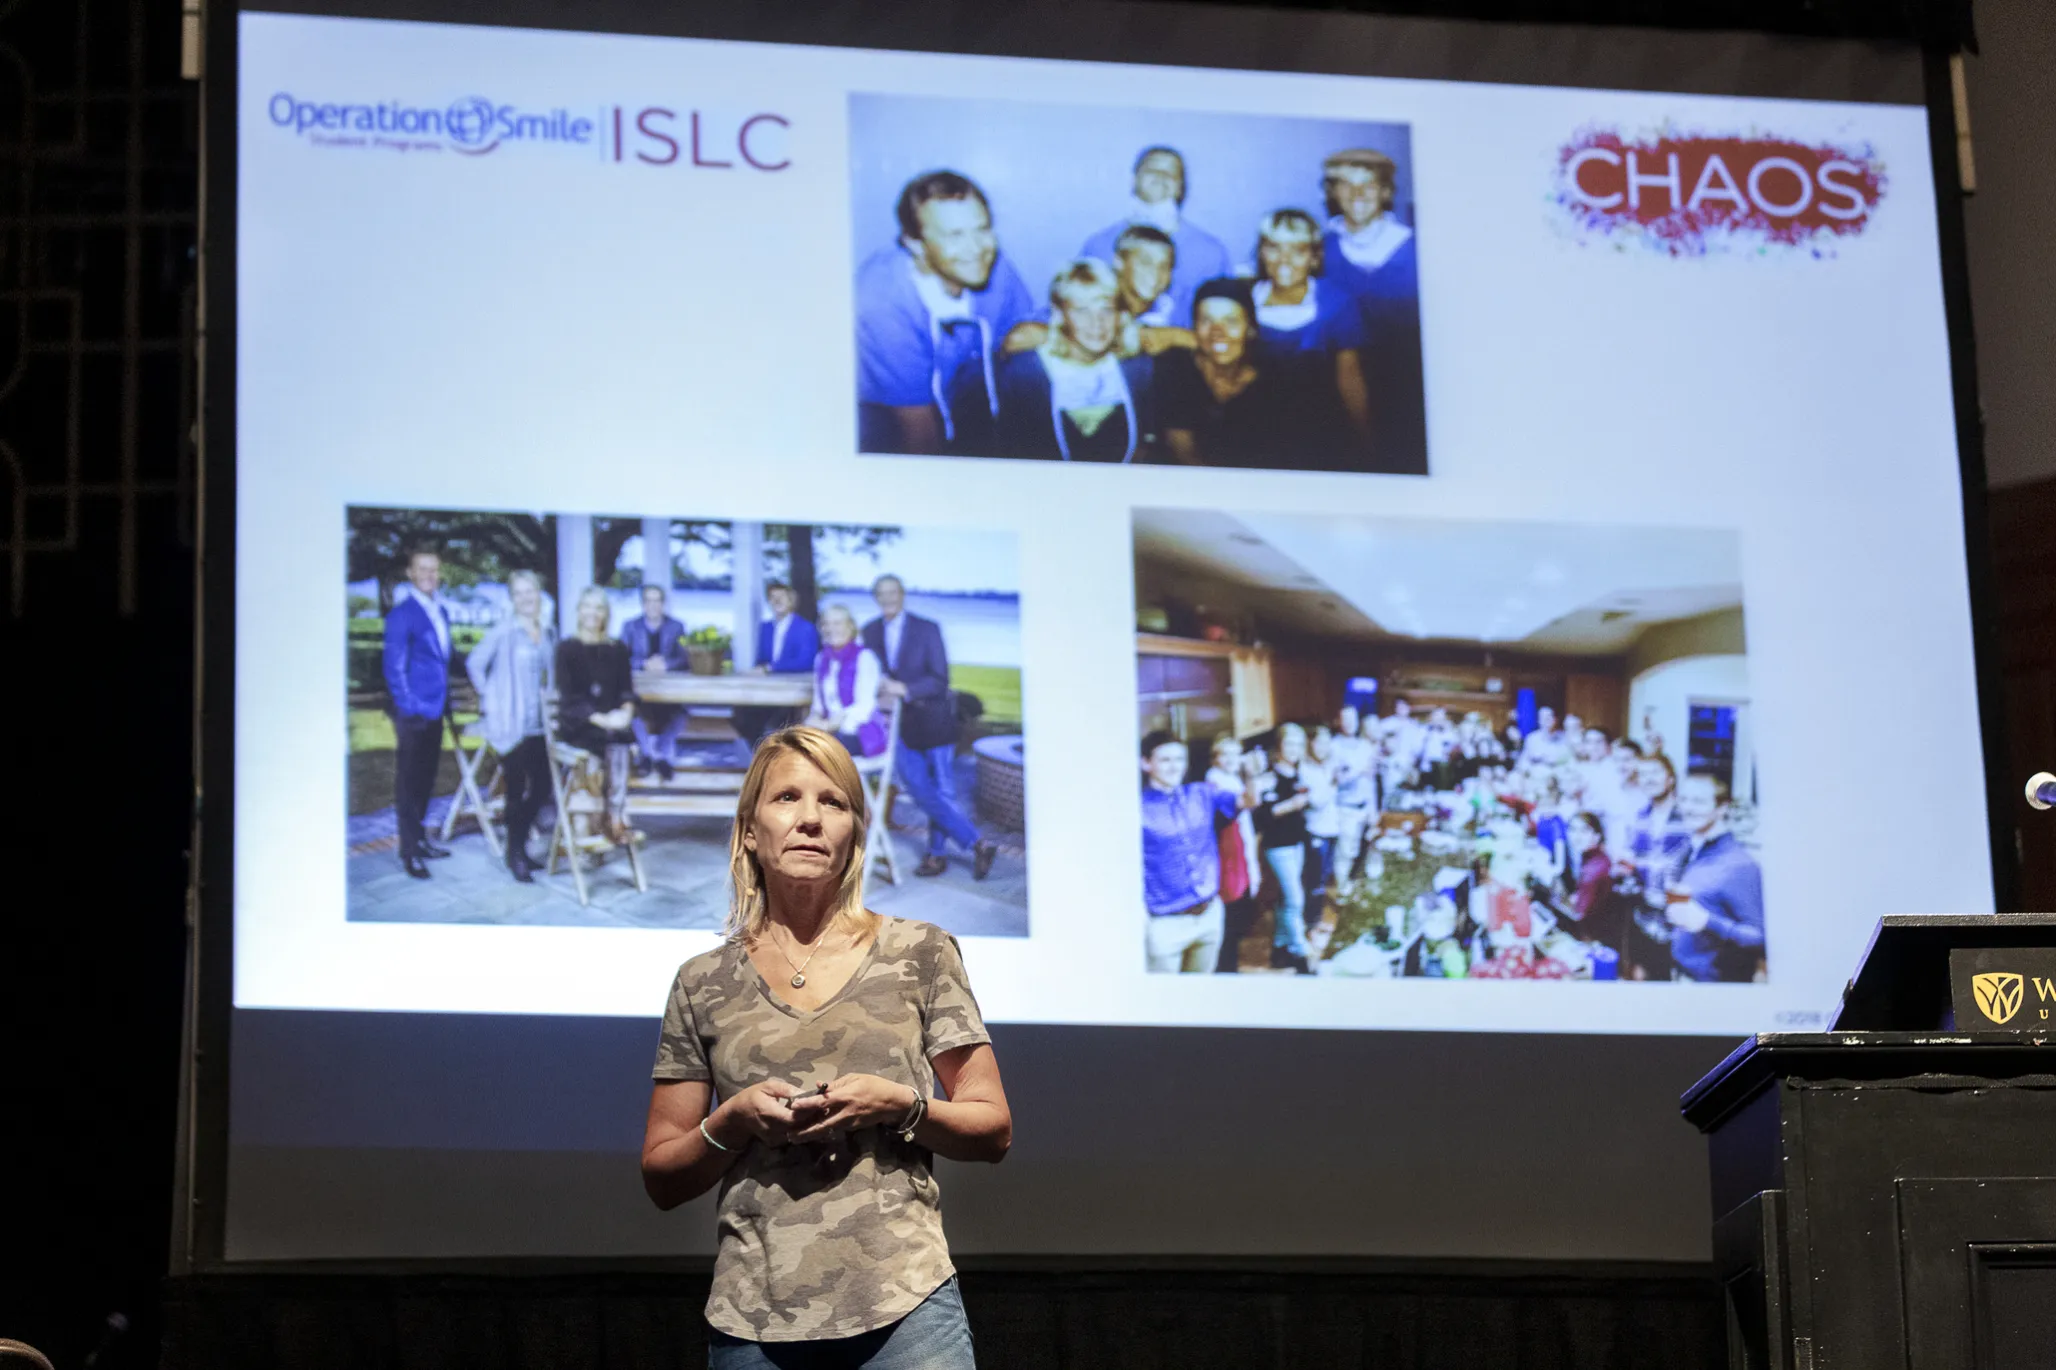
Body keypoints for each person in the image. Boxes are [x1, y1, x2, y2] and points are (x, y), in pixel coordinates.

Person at [642, 727, 1011, 1367]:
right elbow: (662, 1175)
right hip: (754, 1318)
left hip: (907, 1310)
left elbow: (992, 1127)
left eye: (834, 802)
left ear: (854, 833)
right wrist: (734, 1120)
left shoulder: (920, 952)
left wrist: (903, 1106)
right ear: (751, 830)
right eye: (787, 797)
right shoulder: (703, 980)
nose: (810, 818)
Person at [856, 171, 1036, 456]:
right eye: (955, 235)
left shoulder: (993, 268)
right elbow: (918, 431)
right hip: (890, 414)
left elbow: (1023, 334)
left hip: (961, 396)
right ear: (915, 244)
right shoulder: (882, 301)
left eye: (982, 229)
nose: (977, 248)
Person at [863, 575, 997, 880]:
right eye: (881, 594)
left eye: (892, 592)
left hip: (934, 721)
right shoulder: (869, 631)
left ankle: (936, 855)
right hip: (897, 726)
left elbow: (940, 680)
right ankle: (978, 843)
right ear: (875, 597)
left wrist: (903, 688)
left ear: (902, 594)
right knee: (918, 788)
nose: (888, 599)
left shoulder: (927, 629)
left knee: (942, 791)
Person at [1318, 147, 1427, 470]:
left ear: (1386, 192)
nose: (1358, 194)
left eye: (1368, 184)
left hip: (1411, 392)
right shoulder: (1319, 251)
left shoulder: (1416, 246)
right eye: (1347, 184)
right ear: (1334, 193)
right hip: (1340, 393)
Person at [990, 258, 1155, 464]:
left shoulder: (1138, 370)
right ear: (1060, 315)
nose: (1096, 323)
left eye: (1106, 310)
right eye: (1081, 310)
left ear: (1120, 315)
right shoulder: (1026, 373)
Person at [1249, 209, 1371, 452]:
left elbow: (1350, 378)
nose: (1284, 260)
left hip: (1319, 432)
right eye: (1274, 247)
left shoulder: (1337, 303)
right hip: (1256, 428)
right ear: (1262, 254)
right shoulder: (1245, 301)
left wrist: (1367, 440)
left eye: (1298, 250)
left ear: (1314, 258)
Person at [464, 570, 555, 884]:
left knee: (543, 787)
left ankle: (518, 847)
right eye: (519, 593)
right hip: (511, 724)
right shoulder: (504, 631)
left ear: (538, 594)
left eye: (530, 591)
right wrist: (492, 698)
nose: (526, 598)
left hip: (539, 726)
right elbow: (475, 663)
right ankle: (515, 852)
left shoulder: (547, 631)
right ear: (512, 598)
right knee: (515, 790)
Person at [1079, 146, 1231, 329]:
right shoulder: (1099, 245)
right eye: (1151, 170)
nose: (1160, 176)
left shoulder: (1210, 253)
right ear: (1134, 179)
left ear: (1181, 188)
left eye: (1171, 173)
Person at [1156, 279, 1304, 468]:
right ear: (1194, 327)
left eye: (1231, 321)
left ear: (1250, 329)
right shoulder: (1176, 369)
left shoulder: (1275, 382)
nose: (1217, 332)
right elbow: (1182, 448)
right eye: (1206, 320)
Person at [1139, 731, 1246, 974]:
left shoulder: (1201, 793)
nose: (1174, 767)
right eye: (1165, 760)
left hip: (1209, 914)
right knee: (1164, 1005)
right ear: (1146, 763)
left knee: (1200, 995)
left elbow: (1246, 802)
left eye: (1179, 759)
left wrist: (1251, 776)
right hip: (1165, 924)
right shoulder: (1136, 808)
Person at [382, 547, 453, 879]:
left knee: (426, 780)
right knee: (409, 784)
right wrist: (410, 708)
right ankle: (409, 852)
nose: (429, 575)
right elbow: (394, 670)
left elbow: (443, 659)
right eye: (422, 569)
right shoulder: (402, 614)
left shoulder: (440, 610)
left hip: (435, 711)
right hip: (414, 714)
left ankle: (420, 840)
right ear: (410, 573)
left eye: (434, 570)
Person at [1665, 775, 1766, 983]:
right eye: (1683, 799)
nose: (1688, 808)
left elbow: (1758, 937)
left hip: (1712, 985)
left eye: (1699, 801)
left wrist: (1707, 921)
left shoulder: (1739, 864)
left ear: (1721, 808)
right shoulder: (1691, 849)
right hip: (1682, 974)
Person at [556, 586, 637, 832]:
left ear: (606, 613)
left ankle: (614, 814)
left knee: (621, 740)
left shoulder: (617, 649)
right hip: (581, 723)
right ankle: (594, 821)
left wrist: (626, 713)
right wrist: (601, 719)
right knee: (599, 747)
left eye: (598, 607)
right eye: (587, 606)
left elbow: (626, 689)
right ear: (579, 611)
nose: (593, 613)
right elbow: (570, 697)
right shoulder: (567, 649)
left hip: (613, 725)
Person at [1253, 722, 1316, 974]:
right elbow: (1261, 817)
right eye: (1289, 743)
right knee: (1294, 899)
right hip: (1277, 847)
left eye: (1299, 744)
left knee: (1284, 900)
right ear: (1278, 747)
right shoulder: (1267, 777)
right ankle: (1302, 952)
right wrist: (1291, 805)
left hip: (1297, 843)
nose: (1294, 749)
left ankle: (1280, 949)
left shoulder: (1298, 774)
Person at [738, 580, 821, 745]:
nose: (777, 601)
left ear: (791, 600)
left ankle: (771, 756)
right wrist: (757, 670)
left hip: (794, 692)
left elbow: (806, 662)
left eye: (782, 597)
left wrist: (770, 669)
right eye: (772, 598)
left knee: (775, 724)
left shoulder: (806, 628)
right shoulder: (765, 628)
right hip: (766, 691)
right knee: (740, 714)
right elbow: (761, 660)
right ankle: (762, 755)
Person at [1208, 734, 1264, 973]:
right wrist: (1252, 774)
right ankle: (1226, 970)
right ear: (1215, 758)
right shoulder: (1215, 782)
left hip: (1239, 850)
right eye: (1225, 754)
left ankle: (1229, 965)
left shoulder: (1229, 778)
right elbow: (1252, 800)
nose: (1232, 759)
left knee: (1237, 914)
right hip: (1229, 855)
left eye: (1235, 753)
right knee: (1231, 917)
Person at [620, 585, 689, 781]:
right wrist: (644, 664)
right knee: (632, 711)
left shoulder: (676, 626)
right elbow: (621, 658)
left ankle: (658, 753)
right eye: (649, 600)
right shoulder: (630, 627)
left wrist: (666, 664)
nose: (653, 605)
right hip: (640, 690)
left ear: (663, 603)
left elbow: (684, 659)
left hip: (669, 692)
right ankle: (652, 755)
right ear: (643, 604)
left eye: (657, 600)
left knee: (682, 713)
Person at [806, 603, 890, 760]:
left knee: (817, 754)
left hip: (859, 732)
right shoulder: (821, 659)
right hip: (830, 731)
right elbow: (818, 705)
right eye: (826, 624)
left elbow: (864, 707)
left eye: (837, 623)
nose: (831, 629)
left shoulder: (865, 658)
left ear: (850, 627)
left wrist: (832, 723)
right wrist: (814, 718)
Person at [1328, 705, 1378, 890]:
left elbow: (1370, 781)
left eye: (1353, 719)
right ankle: (1342, 890)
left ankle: (1353, 887)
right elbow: (1336, 780)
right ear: (1339, 722)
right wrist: (1358, 771)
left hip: (1364, 808)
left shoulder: (1365, 746)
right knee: (1345, 852)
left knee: (1362, 851)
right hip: (1345, 808)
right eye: (1345, 719)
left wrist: (1373, 810)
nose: (1350, 723)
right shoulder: (1333, 746)